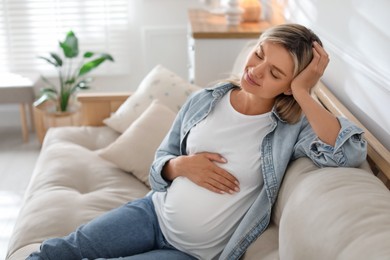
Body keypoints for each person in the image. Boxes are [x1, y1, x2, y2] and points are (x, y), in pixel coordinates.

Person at [28, 23, 367, 260]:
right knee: (61, 251)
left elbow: (346, 152)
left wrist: (305, 93)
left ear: (289, 87)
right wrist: (180, 166)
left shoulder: (290, 128)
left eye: (276, 73)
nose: (257, 70)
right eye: (259, 53)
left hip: (191, 254)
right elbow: (163, 157)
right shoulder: (207, 99)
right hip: (151, 213)